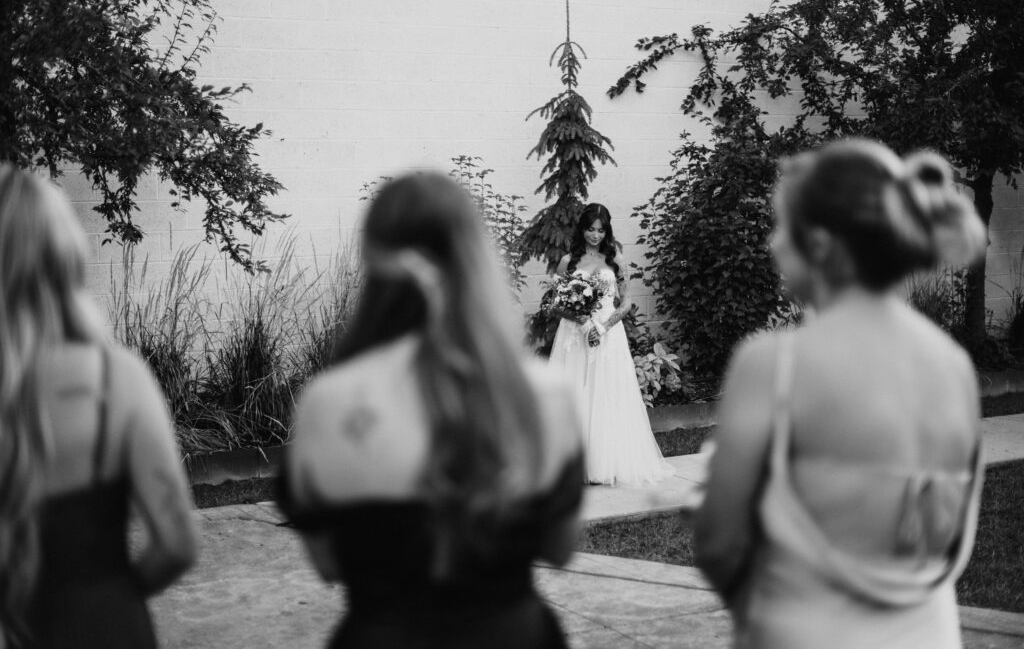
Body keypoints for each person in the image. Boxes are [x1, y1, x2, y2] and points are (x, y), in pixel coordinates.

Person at [695, 139, 987, 649]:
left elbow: (720, 545)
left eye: (781, 227)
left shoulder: (773, 365)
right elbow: (940, 529)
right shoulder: (955, 366)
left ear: (822, 244)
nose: (773, 245)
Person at [277, 173, 585, 648]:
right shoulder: (543, 394)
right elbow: (560, 549)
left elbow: (328, 564)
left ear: (373, 258)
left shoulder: (328, 402)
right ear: (475, 257)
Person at [0, 165, 198, 649]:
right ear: (66, 255)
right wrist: (111, 595)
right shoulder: (116, 379)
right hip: (103, 627)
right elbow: (177, 544)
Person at [548, 202, 674, 486]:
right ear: (582, 229)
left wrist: (603, 326)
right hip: (575, 335)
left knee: (606, 392)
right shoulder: (568, 261)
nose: (595, 235)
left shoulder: (615, 259)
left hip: (607, 334)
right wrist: (583, 323)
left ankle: (606, 460)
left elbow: (627, 302)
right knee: (575, 392)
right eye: (590, 229)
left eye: (601, 230)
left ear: (607, 231)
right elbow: (555, 303)